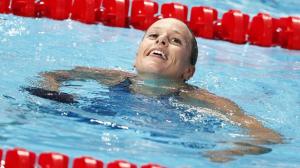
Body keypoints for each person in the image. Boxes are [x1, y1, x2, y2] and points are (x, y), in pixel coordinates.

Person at [27, 18, 282, 162]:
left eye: (175, 41)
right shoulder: (112, 78)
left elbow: (268, 136)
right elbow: (51, 75)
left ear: (188, 71)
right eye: (153, 36)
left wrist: (225, 153)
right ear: (136, 58)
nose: (161, 41)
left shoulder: (201, 99)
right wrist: (52, 92)